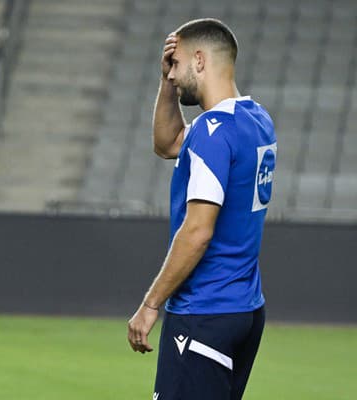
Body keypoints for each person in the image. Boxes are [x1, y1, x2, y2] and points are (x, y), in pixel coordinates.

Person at [127, 19, 277, 400]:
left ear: (199, 60)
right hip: (245, 309)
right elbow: (167, 143)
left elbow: (198, 231)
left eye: (174, 65)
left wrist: (150, 304)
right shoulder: (255, 120)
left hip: (203, 310)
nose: (171, 74)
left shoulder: (213, 132)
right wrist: (165, 87)